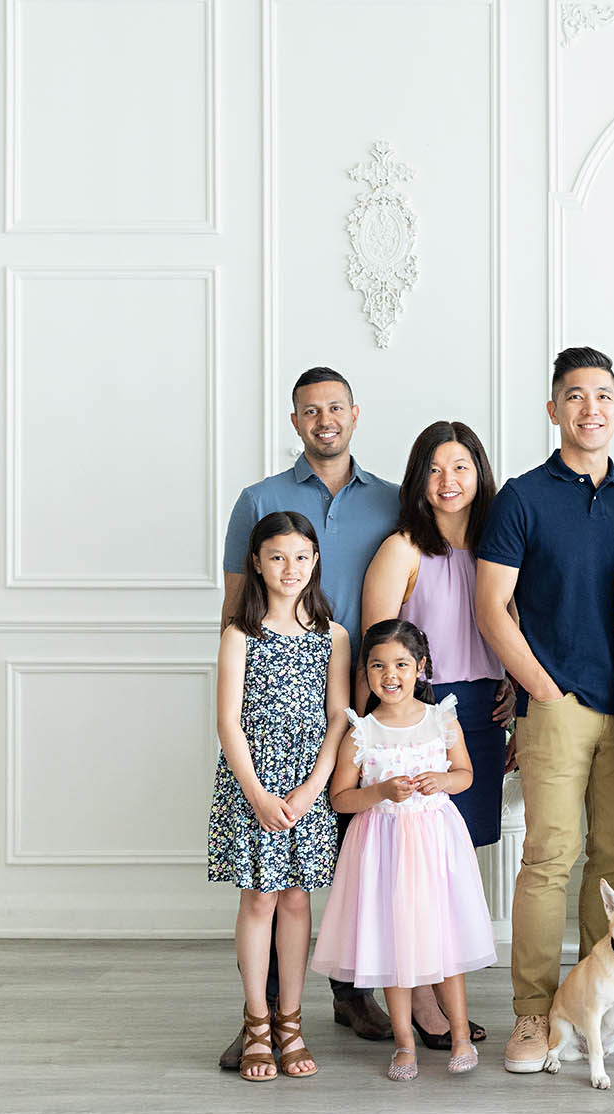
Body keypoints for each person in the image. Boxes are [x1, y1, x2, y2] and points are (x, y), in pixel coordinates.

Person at [476, 347, 614, 1074]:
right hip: (553, 706)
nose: (591, 408)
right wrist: (542, 690)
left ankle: (613, 1007)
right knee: (549, 860)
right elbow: (491, 607)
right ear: (554, 409)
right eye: (576, 396)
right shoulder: (522, 498)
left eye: (604, 395)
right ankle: (533, 1016)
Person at [217, 367, 401, 1065]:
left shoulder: (389, 502)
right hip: (273, 711)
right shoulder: (257, 499)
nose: (323, 419)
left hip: (363, 701)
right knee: (270, 885)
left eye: (334, 408)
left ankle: (352, 996)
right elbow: (236, 606)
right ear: (295, 421)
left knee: (354, 861)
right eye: (308, 411)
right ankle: (259, 1016)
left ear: (354, 413)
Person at [361, 420, 506, 1050]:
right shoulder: (403, 549)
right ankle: (420, 998)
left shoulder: (500, 543)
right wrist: (402, 725)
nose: (449, 483)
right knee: (413, 867)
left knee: (454, 858)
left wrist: (517, 693)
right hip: (420, 718)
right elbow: (377, 650)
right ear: (418, 479)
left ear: (480, 474)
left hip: (483, 713)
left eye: (462, 468)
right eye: (435, 469)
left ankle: (440, 987)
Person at [312, 620, 497, 1081]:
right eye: (377, 666)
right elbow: (341, 798)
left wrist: (443, 782)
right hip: (383, 850)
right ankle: (404, 1044)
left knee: (444, 940)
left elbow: (465, 774)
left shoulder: (441, 719)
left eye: (400, 664)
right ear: (366, 673)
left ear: (421, 667)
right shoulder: (361, 732)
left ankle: (458, 1037)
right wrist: (378, 793)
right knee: (392, 946)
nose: (389, 675)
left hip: (434, 844)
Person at [206, 512, 351, 1082]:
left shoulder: (332, 635)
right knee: (259, 899)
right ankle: (257, 1022)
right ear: (257, 564)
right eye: (276, 557)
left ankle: (292, 1022)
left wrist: (314, 787)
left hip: (308, 781)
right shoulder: (240, 635)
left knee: (296, 901)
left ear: (315, 561)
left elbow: (338, 717)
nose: (289, 568)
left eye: (300, 557)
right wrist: (259, 795)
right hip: (252, 784)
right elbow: (227, 721)